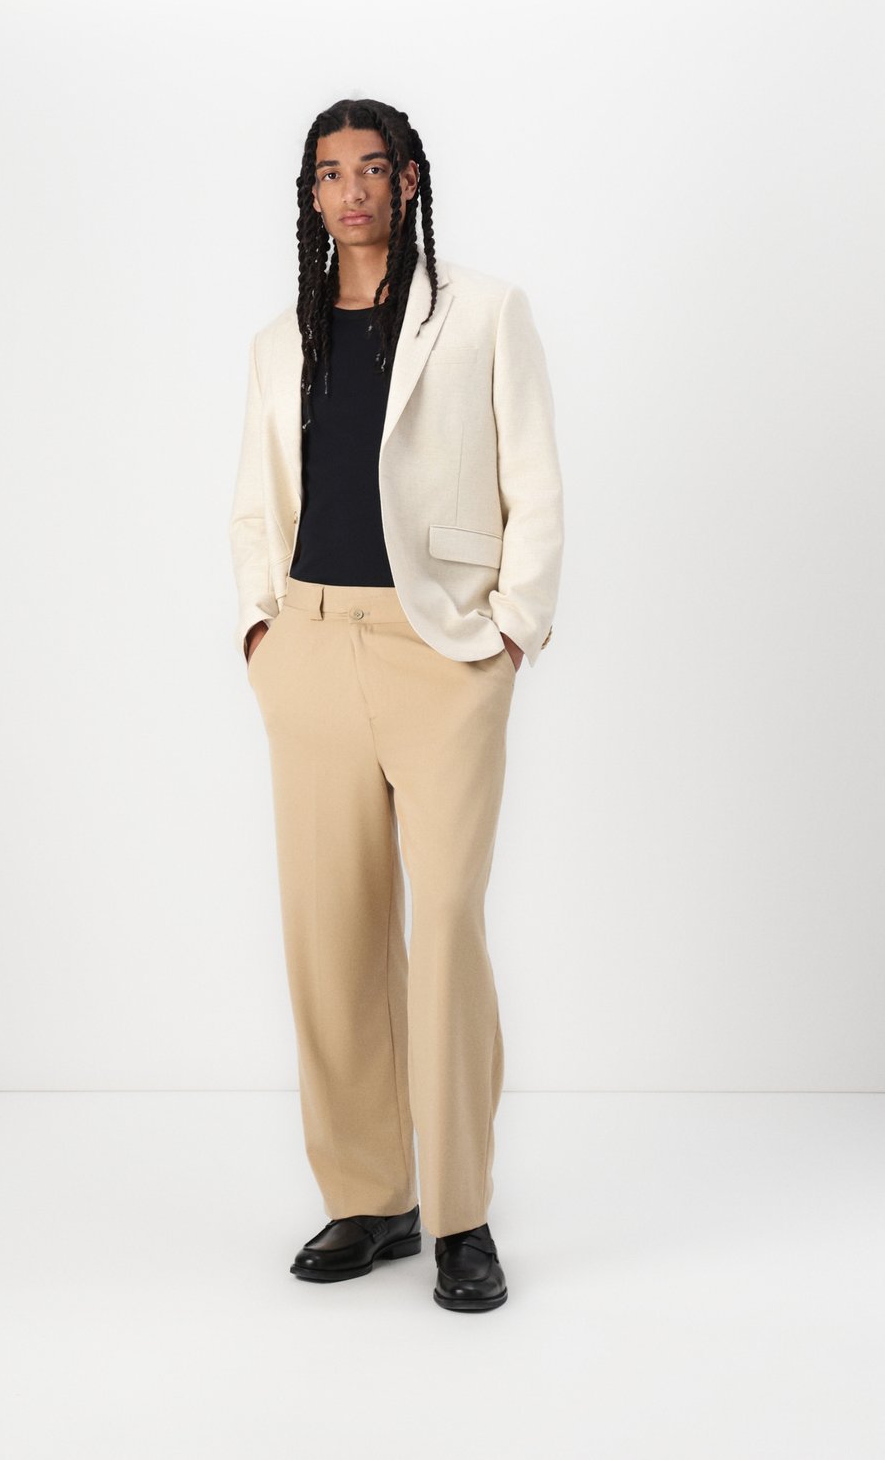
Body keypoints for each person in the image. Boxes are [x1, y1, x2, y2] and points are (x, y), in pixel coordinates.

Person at [229, 97, 564, 1312]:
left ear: (410, 180)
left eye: (373, 168)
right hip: (312, 646)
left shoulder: (483, 312)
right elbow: (257, 500)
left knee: (448, 925)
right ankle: (371, 1195)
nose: (352, 190)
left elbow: (535, 479)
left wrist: (509, 632)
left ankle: (462, 1212)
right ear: (311, 195)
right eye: (330, 174)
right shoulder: (281, 340)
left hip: (444, 657)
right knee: (331, 935)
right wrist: (262, 631)